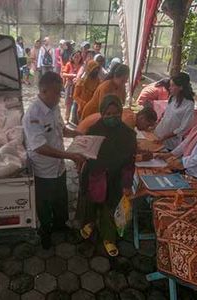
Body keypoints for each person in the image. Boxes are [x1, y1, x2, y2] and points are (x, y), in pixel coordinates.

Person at [22, 72, 86, 249]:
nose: (60, 96)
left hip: (58, 166)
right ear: (43, 91)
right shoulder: (33, 116)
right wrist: (70, 156)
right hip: (44, 170)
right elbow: (40, 147)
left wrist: (78, 134)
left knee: (61, 198)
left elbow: (61, 130)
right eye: (57, 92)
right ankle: (46, 232)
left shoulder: (54, 107)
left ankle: (61, 225)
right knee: (44, 203)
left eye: (60, 92)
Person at [76, 95, 136, 257]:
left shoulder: (128, 134)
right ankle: (89, 223)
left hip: (116, 179)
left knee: (109, 208)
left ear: (120, 112)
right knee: (90, 203)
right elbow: (84, 153)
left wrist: (127, 184)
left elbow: (129, 162)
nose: (112, 117)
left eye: (116, 113)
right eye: (107, 114)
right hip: (94, 175)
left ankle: (109, 238)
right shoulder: (93, 130)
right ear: (102, 113)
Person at [154, 72, 195, 150]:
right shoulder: (172, 97)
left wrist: (166, 136)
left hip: (170, 142)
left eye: (172, 85)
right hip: (159, 134)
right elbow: (166, 115)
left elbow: (183, 128)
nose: (169, 88)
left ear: (181, 87)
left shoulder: (189, 104)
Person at [61, 50, 83, 123]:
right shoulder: (68, 64)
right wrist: (72, 75)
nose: (77, 58)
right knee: (68, 103)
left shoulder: (82, 65)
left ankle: (75, 119)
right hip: (69, 86)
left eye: (78, 56)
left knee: (77, 103)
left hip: (78, 86)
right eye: (75, 56)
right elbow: (63, 74)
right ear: (72, 57)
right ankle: (66, 118)